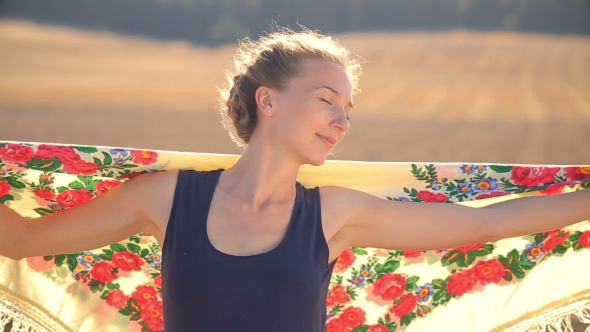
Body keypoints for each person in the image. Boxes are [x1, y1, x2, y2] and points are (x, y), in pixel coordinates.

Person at [0, 27, 588, 331]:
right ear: (269, 102)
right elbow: (23, 240)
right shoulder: (166, 198)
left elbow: (489, 224)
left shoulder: (333, 214)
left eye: (349, 112)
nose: (342, 120)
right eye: (328, 100)